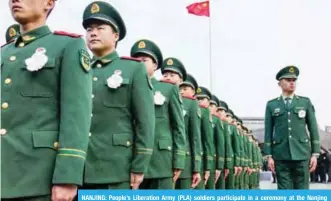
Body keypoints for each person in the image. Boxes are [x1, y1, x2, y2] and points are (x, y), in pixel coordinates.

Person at [1, 0, 92, 200]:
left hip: (39, 179)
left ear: (48, 3)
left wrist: (68, 177)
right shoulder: (3, 53)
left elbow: (76, 115)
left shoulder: (67, 46)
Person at [81, 1, 155, 190]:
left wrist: (140, 165)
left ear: (116, 36)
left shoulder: (133, 69)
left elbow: (145, 121)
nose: (93, 33)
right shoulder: (78, 69)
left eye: (100, 28)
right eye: (89, 29)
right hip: (79, 170)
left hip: (116, 169)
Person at [130, 40, 187, 189]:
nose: (140, 63)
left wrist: (179, 161)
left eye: (145, 60)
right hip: (130, 159)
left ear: (155, 66)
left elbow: (178, 128)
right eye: (137, 60)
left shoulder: (167, 89)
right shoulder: (126, 87)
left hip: (160, 161)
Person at [264, 65, 320, 189]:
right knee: (284, 191)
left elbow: (313, 128)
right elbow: (268, 131)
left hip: (302, 153)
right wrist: (269, 156)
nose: (292, 83)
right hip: (281, 154)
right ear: (280, 83)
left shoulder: (305, 102)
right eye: (288, 80)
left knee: (302, 190)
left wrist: (315, 154)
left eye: (294, 80)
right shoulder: (272, 105)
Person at [177, 73, 203, 189]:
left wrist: (196, 167)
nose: (181, 91)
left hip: (185, 162)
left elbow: (195, 137)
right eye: (180, 89)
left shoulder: (192, 105)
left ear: (193, 91)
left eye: (185, 89)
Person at [195, 86, 214, 189]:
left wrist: (208, 166)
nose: (199, 101)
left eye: (202, 99)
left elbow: (208, 141)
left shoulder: (205, 113)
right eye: (197, 99)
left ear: (208, 102)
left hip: (201, 158)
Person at [209, 94, 225, 189]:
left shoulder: (216, 121)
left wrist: (219, 166)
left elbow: (220, 145)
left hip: (213, 161)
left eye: (212, 105)